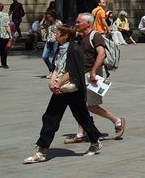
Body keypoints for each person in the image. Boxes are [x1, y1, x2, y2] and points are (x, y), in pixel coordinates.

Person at [23, 25, 103, 163]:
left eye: (58, 33)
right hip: (60, 89)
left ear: (66, 36)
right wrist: (52, 82)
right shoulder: (60, 49)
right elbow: (56, 67)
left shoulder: (75, 49)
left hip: (72, 90)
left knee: (82, 116)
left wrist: (58, 84)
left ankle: (95, 142)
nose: (55, 35)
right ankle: (42, 151)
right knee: (50, 118)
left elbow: (72, 71)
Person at [64, 13, 125, 145]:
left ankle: (118, 121)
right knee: (81, 105)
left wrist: (92, 72)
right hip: (82, 75)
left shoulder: (95, 36)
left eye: (78, 22)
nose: (76, 23)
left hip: (92, 76)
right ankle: (81, 133)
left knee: (91, 106)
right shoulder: (81, 36)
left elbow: (101, 54)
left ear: (88, 23)